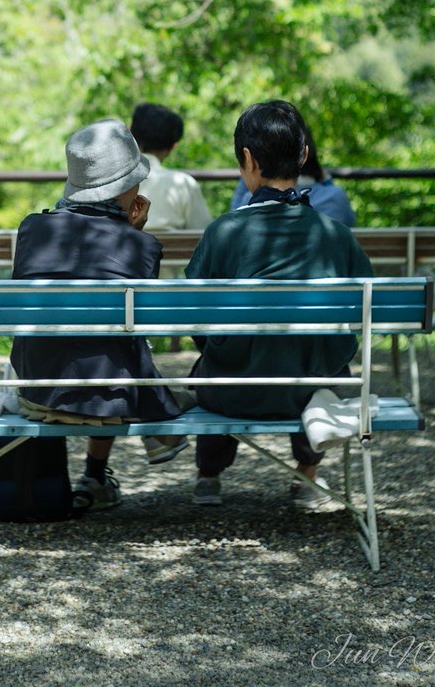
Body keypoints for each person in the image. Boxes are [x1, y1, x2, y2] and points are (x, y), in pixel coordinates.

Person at [187, 100, 372, 508]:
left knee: (208, 367)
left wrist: (224, 351)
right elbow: (360, 318)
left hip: (234, 390)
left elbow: (196, 318)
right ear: (303, 155)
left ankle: (208, 475)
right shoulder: (335, 235)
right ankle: (307, 475)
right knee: (314, 364)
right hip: (308, 389)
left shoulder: (222, 233)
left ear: (247, 160)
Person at [10, 118, 188, 515]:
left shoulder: (32, 229)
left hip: (36, 390)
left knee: (97, 346)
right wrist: (136, 235)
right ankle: (102, 468)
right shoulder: (140, 245)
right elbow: (140, 326)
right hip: (110, 398)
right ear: (128, 187)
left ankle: (84, 476)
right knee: (117, 350)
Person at [230, 123, 355, 226]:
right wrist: (327, 180)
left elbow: (233, 217)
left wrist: (250, 165)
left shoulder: (251, 202)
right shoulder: (336, 198)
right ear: (305, 154)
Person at [130, 103, 212, 231]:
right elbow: (204, 233)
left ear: (131, 134)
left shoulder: (113, 180)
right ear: (172, 147)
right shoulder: (184, 184)